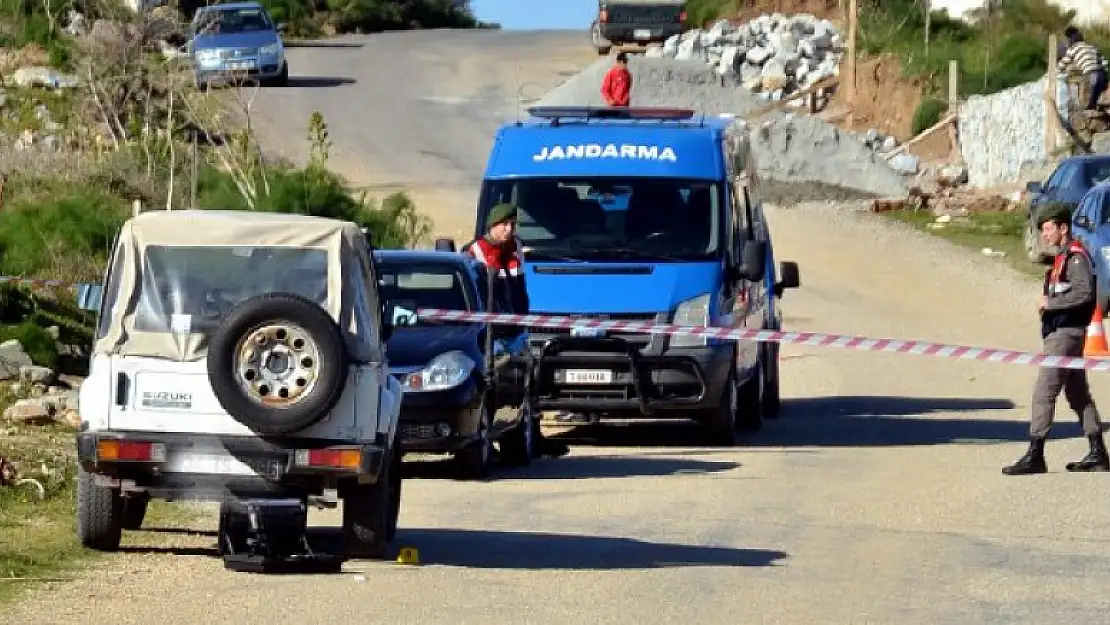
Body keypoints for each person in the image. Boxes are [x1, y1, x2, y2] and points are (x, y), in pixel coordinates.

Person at [1003, 202, 1109, 475]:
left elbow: (1084, 293)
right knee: (1077, 394)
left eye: (1048, 228)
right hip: (1061, 333)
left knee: (1044, 392)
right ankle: (1098, 451)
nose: (1044, 235)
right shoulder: (1062, 257)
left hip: (1065, 335)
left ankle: (1035, 453)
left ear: (1063, 228)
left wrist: (1049, 304)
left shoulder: (1075, 257)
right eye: (1042, 230)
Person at [462, 203, 570, 458]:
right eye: (504, 225)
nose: (509, 230)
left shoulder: (515, 248)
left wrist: (522, 319)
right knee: (494, 383)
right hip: (489, 333)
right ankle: (487, 439)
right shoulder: (476, 251)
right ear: (492, 226)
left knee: (528, 382)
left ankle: (528, 438)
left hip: (514, 330)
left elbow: (519, 289)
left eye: (512, 224)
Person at [1058, 26, 1109, 112]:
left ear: (1070, 40)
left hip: (1091, 74)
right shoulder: (1092, 47)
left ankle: (1088, 114)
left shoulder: (1073, 49)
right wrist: (1106, 74)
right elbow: (1104, 62)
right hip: (1102, 74)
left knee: (1088, 101)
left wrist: (1057, 69)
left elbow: (1064, 62)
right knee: (1098, 98)